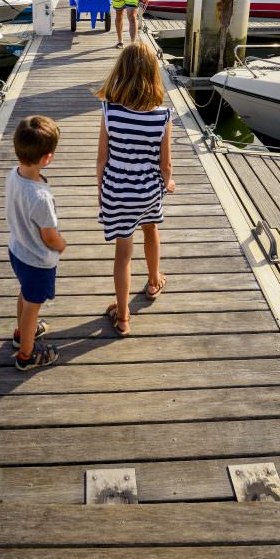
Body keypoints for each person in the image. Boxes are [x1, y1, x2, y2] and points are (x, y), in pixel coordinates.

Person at [95, 42, 176, 337]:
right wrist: (167, 182)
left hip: (116, 191)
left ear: (121, 72)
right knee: (151, 229)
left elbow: (102, 159)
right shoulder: (163, 117)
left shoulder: (109, 112)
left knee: (123, 253)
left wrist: (101, 192)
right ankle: (154, 281)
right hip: (148, 192)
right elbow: (164, 165)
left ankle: (124, 316)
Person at [5, 115, 67, 370]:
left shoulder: (13, 174)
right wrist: (61, 244)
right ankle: (27, 355)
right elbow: (49, 235)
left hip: (17, 250)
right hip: (37, 260)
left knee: (26, 294)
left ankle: (22, 334)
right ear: (47, 158)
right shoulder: (40, 196)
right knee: (33, 306)